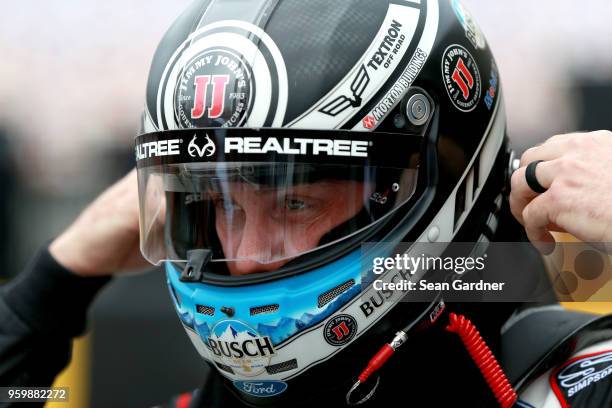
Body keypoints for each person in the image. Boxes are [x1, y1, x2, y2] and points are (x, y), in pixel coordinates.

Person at [2, 1, 612, 407]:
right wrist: (58, 277)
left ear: (417, 189)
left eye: (294, 204)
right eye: (223, 207)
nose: (245, 258)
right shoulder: (209, 401)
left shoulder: (565, 385)